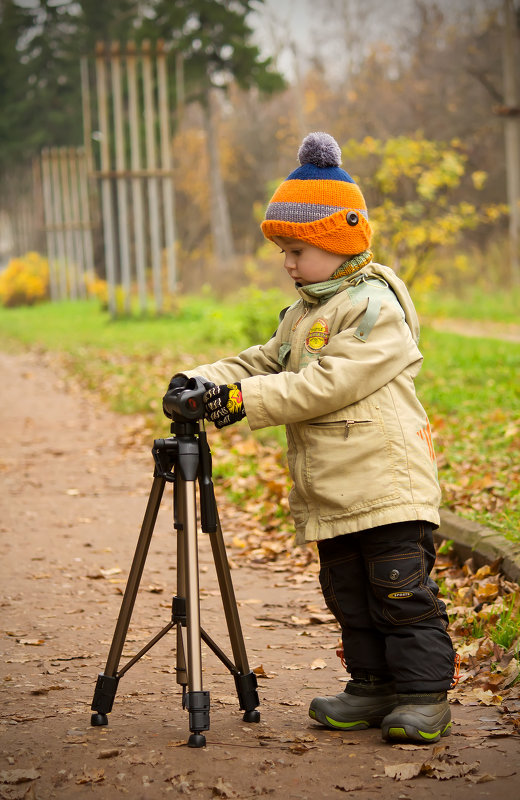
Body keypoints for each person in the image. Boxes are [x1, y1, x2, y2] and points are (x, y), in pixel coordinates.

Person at [163, 131, 455, 744]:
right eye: (284, 252)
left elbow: (330, 382)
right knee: (348, 592)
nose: (289, 264)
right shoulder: (304, 311)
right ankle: (373, 687)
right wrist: (205, 380)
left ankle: (424, 696)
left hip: (387, 485)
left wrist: (243, 403)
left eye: (298, 249)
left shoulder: (375, 307)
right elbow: (264, 363)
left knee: (399, 592)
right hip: (337, 492)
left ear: (339, 242)